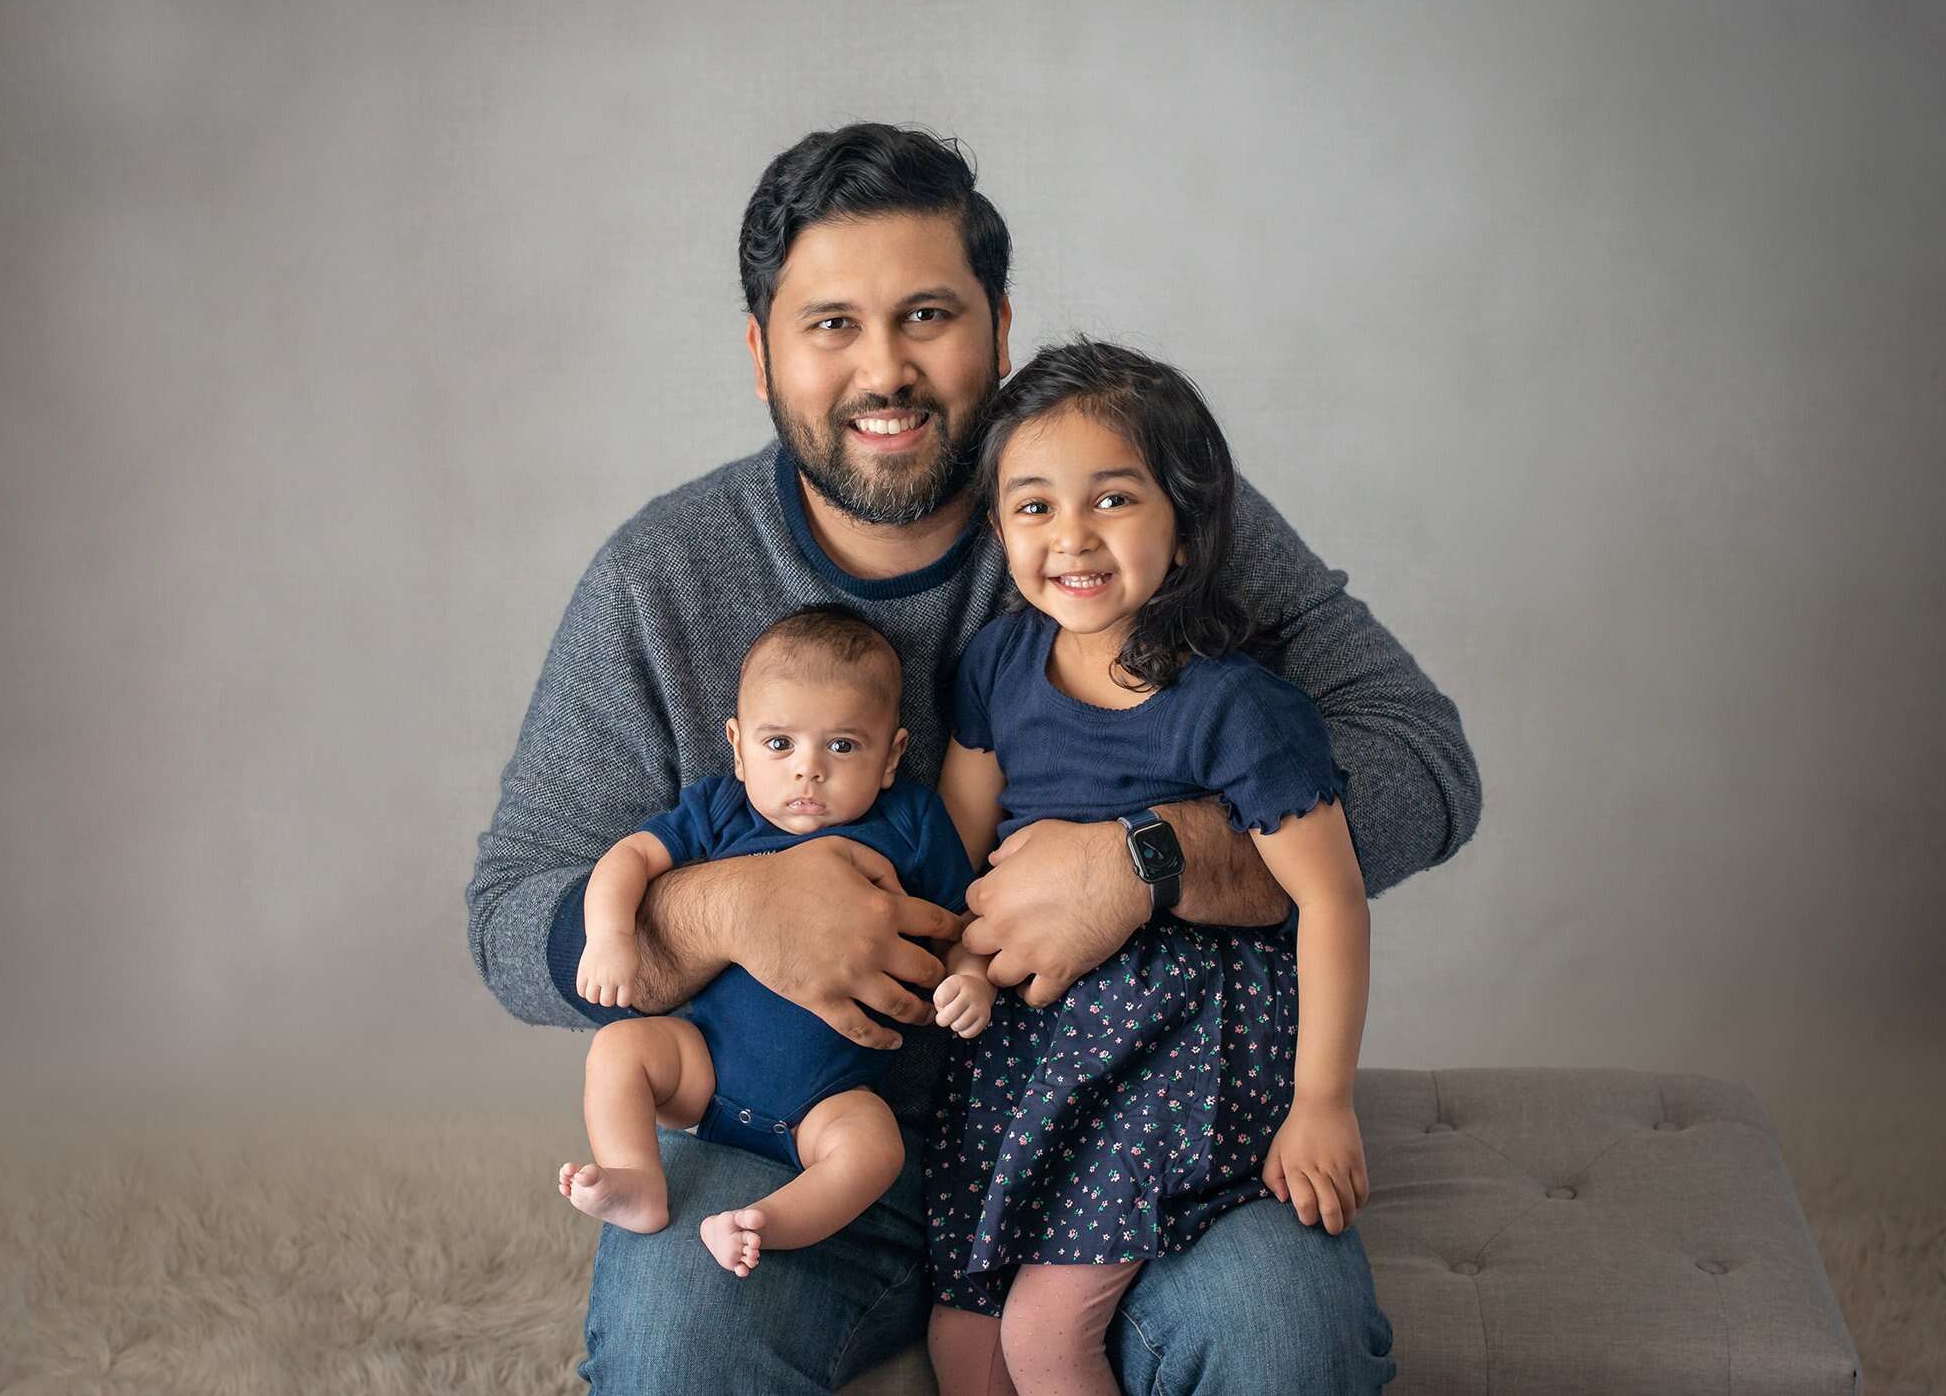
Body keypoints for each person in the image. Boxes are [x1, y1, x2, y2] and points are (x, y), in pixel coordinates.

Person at [467, 122, 1481, 1394]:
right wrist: (727, 904)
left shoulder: (1123, 509)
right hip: (797, 1140)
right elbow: (510, 917)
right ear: (760, 353)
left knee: (1282, 1338)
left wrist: (1150, 862)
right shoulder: (659, 580)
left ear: (1000, 330)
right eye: (829, 323)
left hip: (1131, 1115)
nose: (882, 370)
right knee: (672, 1345)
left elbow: (1422, 762)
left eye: (927, 315)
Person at [922, 341, 1373, 1396]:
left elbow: (1331, 900)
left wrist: (1323, 1102)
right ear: (996, 527)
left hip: (1178, 1046)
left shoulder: (1236, 709)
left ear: (1183, 524)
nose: (1069, 537)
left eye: (1111, 499)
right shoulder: (997, 667)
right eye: (1032, 507)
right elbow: (957, 848)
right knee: (962, 1339)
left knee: (1043, 1337)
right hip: (1033, 1045)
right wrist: (959, 963)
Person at [556, 607, 983, 1278]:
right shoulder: (723, 810)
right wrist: (610, 935)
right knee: (619, 1048)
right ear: (737, 744)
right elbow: (629, 857)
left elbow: (960, 922)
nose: (806, 771)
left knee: (876, 1150)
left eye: (842, 746)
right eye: (779, 744)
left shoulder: (912, 823)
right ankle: (636, 1177)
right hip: (706, 1068)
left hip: (830, 1097)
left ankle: (764, 1223)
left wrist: (969, 978)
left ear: (892, 753)